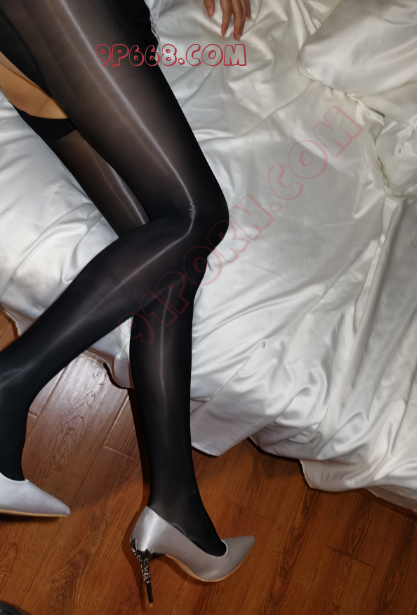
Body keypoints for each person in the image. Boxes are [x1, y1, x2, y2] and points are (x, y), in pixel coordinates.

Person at [0, 0, 254, 604]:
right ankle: (8, 385)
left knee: (170, 259)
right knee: (198, 216)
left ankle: (176, 503)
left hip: (68, 45)